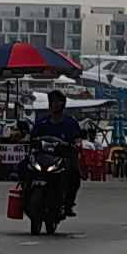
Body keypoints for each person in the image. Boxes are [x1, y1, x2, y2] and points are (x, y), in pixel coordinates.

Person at [32, 87, 82, 218]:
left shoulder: (70, 123)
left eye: (58, 101)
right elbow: (31, 135)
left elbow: (77, 138)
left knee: (74, 176)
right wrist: (23, 138)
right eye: (52, 101)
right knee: (24, 167)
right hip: (43, 157)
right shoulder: (42, 122)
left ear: (63, 104)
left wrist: (77, 144)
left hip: (63, 158)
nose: (55, 104)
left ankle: (68, 204)